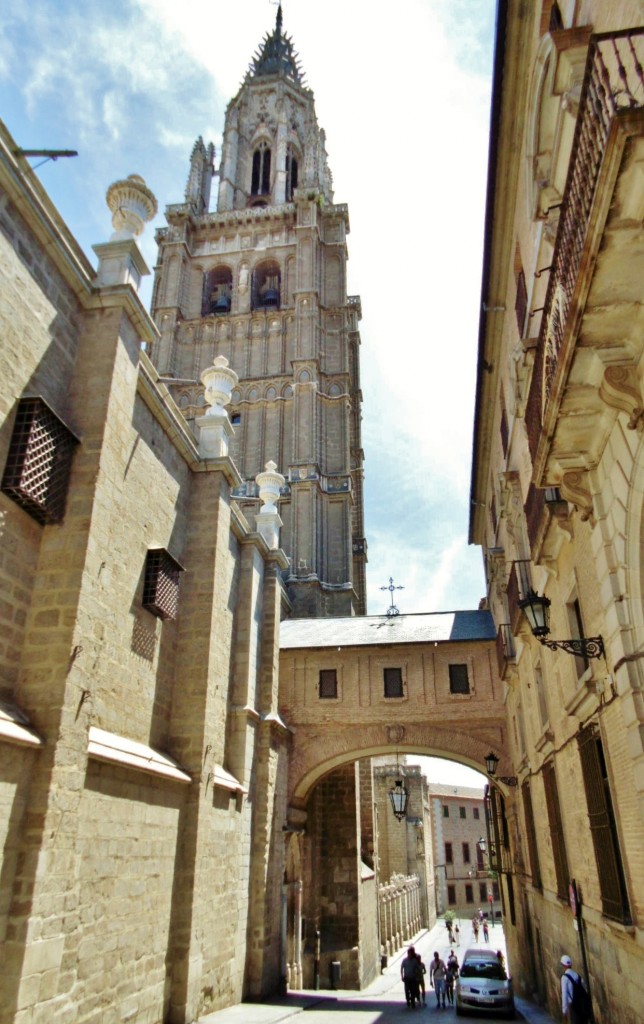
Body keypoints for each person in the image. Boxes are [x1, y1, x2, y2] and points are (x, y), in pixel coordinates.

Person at [560, 954, 591, 1023]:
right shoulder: (576, 975)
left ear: (563, 965)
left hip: (574, 1005)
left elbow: (564, 994)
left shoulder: (564, 978)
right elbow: (584, 986)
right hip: (582, 1005)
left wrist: (564, 1010)